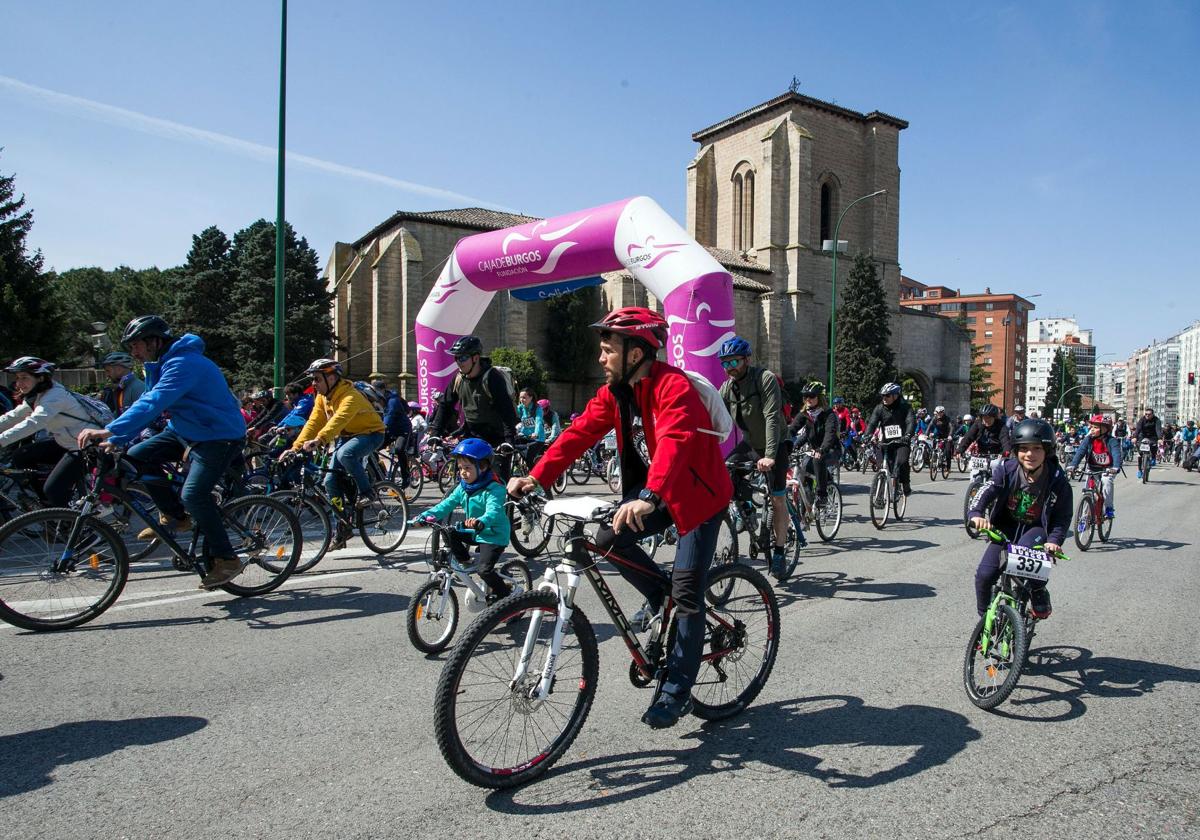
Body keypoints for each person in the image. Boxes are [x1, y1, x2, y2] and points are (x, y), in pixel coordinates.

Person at [508, 306, 733, 730]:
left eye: (608, 349)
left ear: (635, 353)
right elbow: (577, 434)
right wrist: (537, 477)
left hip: (696, 497)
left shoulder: (673, 386)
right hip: (654, 493)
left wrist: (650, 494)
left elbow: (676, 439)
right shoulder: (614, 394)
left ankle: (676, 690)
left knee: (687, 594)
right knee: (607, 541)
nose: (600, 357)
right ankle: (658, 594)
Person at [77, 316, 247, 589]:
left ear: (155, 340)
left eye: (137, 345)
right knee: (135, 456)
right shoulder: (159, 365)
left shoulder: (184, 364)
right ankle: (176, 516)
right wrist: (119, 438)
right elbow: (147, 402)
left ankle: (227, 558)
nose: (134, 352)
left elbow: (155, 402)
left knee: (194, 495)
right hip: (185, 430)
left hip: (219, 435)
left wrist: (108, 431)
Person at [968, 419, 1072, 619]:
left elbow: (1062, 516)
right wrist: (976, 514)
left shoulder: (1058, 480)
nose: (1030, 454)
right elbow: (986, 491)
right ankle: (984, 621)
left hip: (1036, 530)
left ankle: (1038, 590)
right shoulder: (1006, 469)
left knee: (1021, 563)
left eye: (1037, 448)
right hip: (1005, 528)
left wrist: (1053, 541)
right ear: (1016, 450)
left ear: (1047, 450)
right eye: (1024, 449)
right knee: (984, 576)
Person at [718, 336, 795, 576]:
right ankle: (748, 511)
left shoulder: (764, 378)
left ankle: (780, 552)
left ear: (747, 360)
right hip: (751, 444)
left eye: (734, 362)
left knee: (777, 499)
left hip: (777, 443)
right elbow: (713, 419)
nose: (730, 368)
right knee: (725, 471)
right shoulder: (727, 388)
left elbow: (772, 417)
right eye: (725, 363)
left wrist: (771, 456)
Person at [411, 438, 511, 600]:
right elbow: (445, 505)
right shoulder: (463, 488)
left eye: (467, 468)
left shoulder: (495, 488)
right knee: (449, 532)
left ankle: (506, 597)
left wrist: (482, 521)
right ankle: (465, 560)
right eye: (460, 468)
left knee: (484, 570)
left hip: (493, 534)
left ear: (483, 467)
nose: (462, 472)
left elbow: (494, 511)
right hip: (473, 531)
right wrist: (424, 516)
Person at [283, 358, 385, 512]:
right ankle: (342, 522)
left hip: (371, 434)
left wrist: (319, 439)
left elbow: (339, 420)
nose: (313, 384)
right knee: (329, 481)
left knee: (346, 454)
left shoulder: (351, 396)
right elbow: (314, 422)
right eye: (312, 379)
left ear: (331, 378)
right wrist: (295, 447)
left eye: (317, 379)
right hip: (346, 437)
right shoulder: (322, 397)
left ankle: (367, 492)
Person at [0, 357, 101, 507]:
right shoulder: (39, 395)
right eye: (17, 378)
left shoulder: (54, 396)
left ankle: (66, 522)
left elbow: (34, 423)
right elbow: (12, 417)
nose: (18, 383)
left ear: (40, 378)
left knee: (52, 489)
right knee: (21, 456)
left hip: (86, 446)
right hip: (67, 442)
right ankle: (48, 507)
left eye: (24, 378)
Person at [431, 336, 519, 477]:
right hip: (472, 434)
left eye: (463, 358)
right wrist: (436, 433)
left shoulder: (492, 377)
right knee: (465, 480)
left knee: (497, 483)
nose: (459, 362)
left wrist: (509, 440)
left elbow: (506, 410)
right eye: (456, 358)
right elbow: (445, 405)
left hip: (497, 437)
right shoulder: (458, 378)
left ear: (476, 358)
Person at [789, 381, 838, 510]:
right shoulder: (805, 414)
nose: (808, 399)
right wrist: (788, 444)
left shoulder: (829, 414)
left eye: (811, 396)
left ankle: (822, 494)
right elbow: (794, 431)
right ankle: (807, 502)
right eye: (805, 396)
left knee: (817, 460)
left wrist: (822, 449)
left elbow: (830, 434)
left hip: (831, 449)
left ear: (820, 397)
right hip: (814, 450)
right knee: (803, 467)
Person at [866, 382, 916, 496]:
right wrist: (867, 435)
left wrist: (908, 435)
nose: (884, 398)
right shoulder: (879, 408)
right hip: (885, 443)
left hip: (902, 442)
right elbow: (872, 423)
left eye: (887, 395)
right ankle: (879, 495)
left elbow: (910, 422)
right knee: (881, 468)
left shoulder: (905, 407)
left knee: (902, 462)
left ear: (895, 396)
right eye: (883, 395)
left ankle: (905, 484)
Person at [1069, 414, 1121, 519]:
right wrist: (1073, 466)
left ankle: (1109, 509)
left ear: (1105, 429)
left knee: (1106, 482)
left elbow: (1116, 454)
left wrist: (1115, 467)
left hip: (1108, 469)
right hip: (1092, 468)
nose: (1092, 430)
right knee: (1088, 490)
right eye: (1091, 427)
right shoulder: (1088, 440)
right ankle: (1085, 515)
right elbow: (1080, 452)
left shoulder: (1112, 441)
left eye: (1096, 427)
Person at [99, 351, 146, 418]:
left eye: (108, 371)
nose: (107, 375)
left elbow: (142, 417)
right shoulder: (121, 388)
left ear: (119, 369)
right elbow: (119, 414)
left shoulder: (138, 388)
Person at [1133, 407, 1162, 478]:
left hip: (1153, 436)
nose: (1147, 416)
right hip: (1142, 436)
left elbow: (1158, 429)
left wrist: (1160, 438)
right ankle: (1140, 470)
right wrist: (1135, 437)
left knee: (1154, 445)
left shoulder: (1157, 420)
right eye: (1146, 414)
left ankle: (1153, 458)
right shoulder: (1142, 419)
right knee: (1140, 453)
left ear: (1152, 414)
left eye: (1149, 414)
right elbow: (1138, 428)